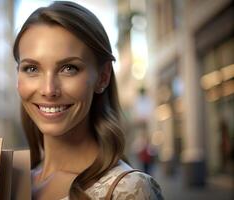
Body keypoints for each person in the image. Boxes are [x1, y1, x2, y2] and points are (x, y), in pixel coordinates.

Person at [13, 1, 163, 199]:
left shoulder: (129, 190)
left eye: (69, 68)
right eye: (32, 69)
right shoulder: (8, 182)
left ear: (103, 77)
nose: (48, 90)